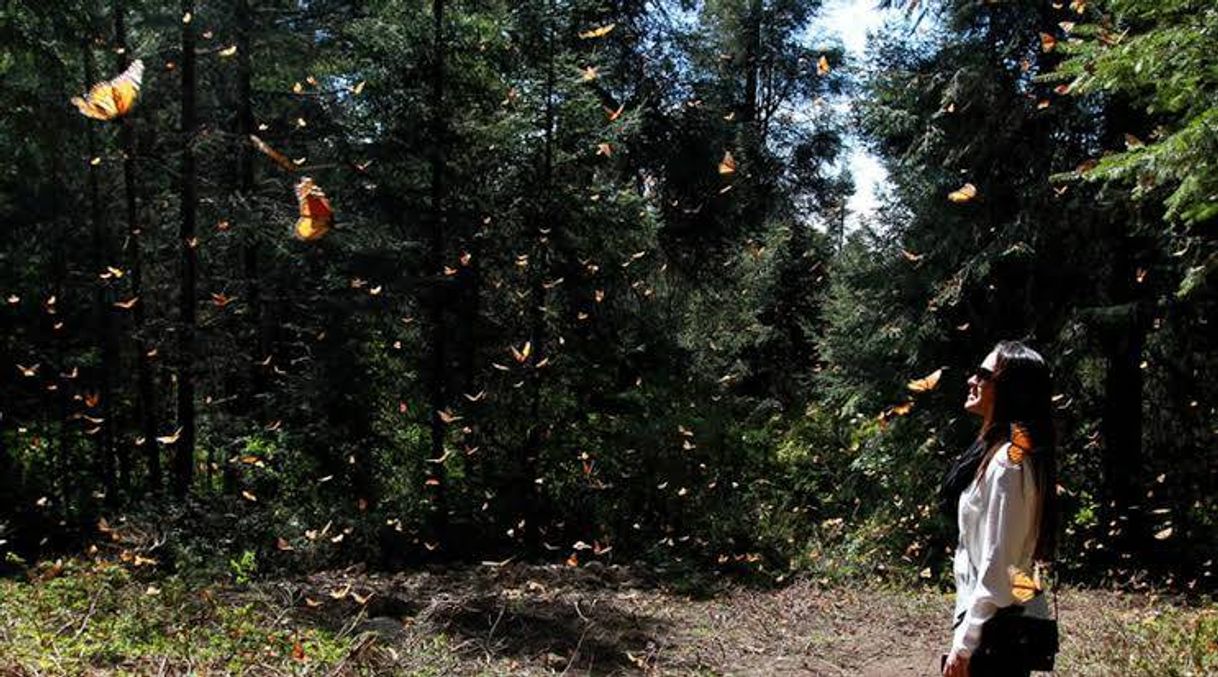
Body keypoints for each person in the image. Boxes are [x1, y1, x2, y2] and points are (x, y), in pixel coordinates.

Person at [940, 341, 1058, 677]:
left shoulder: (1008, 464)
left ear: (1009, 389)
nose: (971, 380)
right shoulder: (993, 455)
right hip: (993, 627)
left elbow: (1000, 564)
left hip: (996, 634)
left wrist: (965, 644)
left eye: (983, 374)